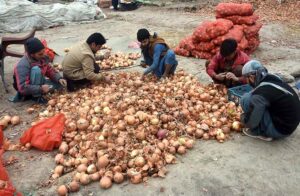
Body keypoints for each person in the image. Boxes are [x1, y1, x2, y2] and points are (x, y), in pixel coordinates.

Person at [240, 60, 300, 141]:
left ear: (251, 77)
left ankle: (259, 132)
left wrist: (245, 121)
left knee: (246, 99)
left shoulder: (263, 91)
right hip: (290, 125)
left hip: (280, 130)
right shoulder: (273, 78)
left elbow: (255, 115)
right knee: (254, 98)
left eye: (246, 79)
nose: (246, 82)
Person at [12, 38, 66, 104]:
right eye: (40, 54)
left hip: (40, 82)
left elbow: (49, 70)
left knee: (60, 84)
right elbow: (22, 88)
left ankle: (42, 91)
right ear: (32, 54)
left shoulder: (43, 57)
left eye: (44, 51)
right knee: (36, 70)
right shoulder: (22, 65)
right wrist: (40, 88)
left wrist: (59, 78)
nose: (43, 55)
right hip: (27, 89)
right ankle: (36, 97)